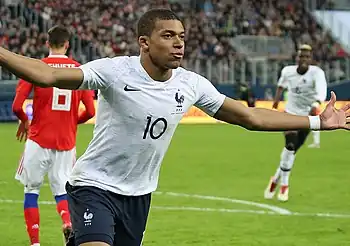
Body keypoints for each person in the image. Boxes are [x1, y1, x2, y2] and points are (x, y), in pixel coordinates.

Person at [0, 9, 349, 246]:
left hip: (139, 195)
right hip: (93, 185)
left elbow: (250, 117)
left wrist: (319, 120)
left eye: (181, 35)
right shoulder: (114, 71)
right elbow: (46, 74)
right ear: (144, 43)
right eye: (168, 35)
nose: (179, 42)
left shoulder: (191, 84)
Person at [11, 25, 95, 246]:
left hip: (38, 139)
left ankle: (35, 243)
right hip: (66, 143)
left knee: (31, 190)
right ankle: (67, 222)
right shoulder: (79, 70)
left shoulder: (37, 68)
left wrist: (25, 121)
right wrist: (70, 122)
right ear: (67, 45)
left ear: (47, 43)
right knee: (62, 190)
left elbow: (17, 105)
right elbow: (91, 111)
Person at [264, 44, 327, 202]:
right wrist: (276, 102)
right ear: (297, 58)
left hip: (307, 117)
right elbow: (281, 85)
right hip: (289, 114)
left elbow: (321, 91)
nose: (303, 59)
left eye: (306, 57)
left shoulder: (317, 73)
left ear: (310, 59)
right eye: (301, 56)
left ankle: (275, 179)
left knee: (291, 153)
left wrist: (316, 105)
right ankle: (285, 185)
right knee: (290, 146)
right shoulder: (288, 71)